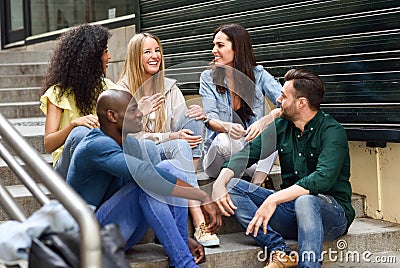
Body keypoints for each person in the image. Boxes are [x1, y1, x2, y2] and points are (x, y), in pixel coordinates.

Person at [211, 69, 355, 268]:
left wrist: (274, 198)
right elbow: (247, 154)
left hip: (332, 215)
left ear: (301, 103)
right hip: (291, 213)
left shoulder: (332, 131)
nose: (278, 100)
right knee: (232, 185)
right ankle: (278, 249)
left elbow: (322, 179)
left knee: (305, 200)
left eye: (283, 96)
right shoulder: (282, 125)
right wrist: (219, 182)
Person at [66, 89, 222, 267]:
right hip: (89, 238)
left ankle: (179, 248)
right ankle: (184, 263)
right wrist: (201, 196)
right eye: (133, 110)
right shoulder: (96, 145)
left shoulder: (129, 144)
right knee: (148, 184)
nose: (140, 113)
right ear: (112, 116)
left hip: (119, 231)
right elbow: (146, 176)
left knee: (172, 168)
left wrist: (182, 239)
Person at [117, 32, 220, 247]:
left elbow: (180, 125)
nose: (155, 56)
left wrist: (195, 117)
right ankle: (198, 216)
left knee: (193, 116)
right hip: (140, 153)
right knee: (176, 143)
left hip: (172, 149)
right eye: (147, 52)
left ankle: (195, 214)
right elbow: (128, 137)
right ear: (136, 56)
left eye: (157, 51)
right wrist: (169, 136)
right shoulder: (121, 92)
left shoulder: (169, 87)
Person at [199, 23, 282, 185]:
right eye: (214, 45)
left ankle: (257, 185)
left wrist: (263, 122)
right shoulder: (208, 78)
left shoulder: (259, 75)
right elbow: (210, 119)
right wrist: (227, 127)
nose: (214, 50)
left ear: (237, 48)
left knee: (274, 132)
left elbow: (286, 103)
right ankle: (256, 178)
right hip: (218, 157)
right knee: (224, 140)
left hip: (248, 152)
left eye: (220, 45)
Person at [40, 23, 117, 178]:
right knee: (81, 134)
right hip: (66, 167)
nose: (109, 57)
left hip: (97, 160)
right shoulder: (57, 93)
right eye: (105, 52)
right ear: (91, 58)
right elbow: (49, 144)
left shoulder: (108, 88)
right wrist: (73, 125)